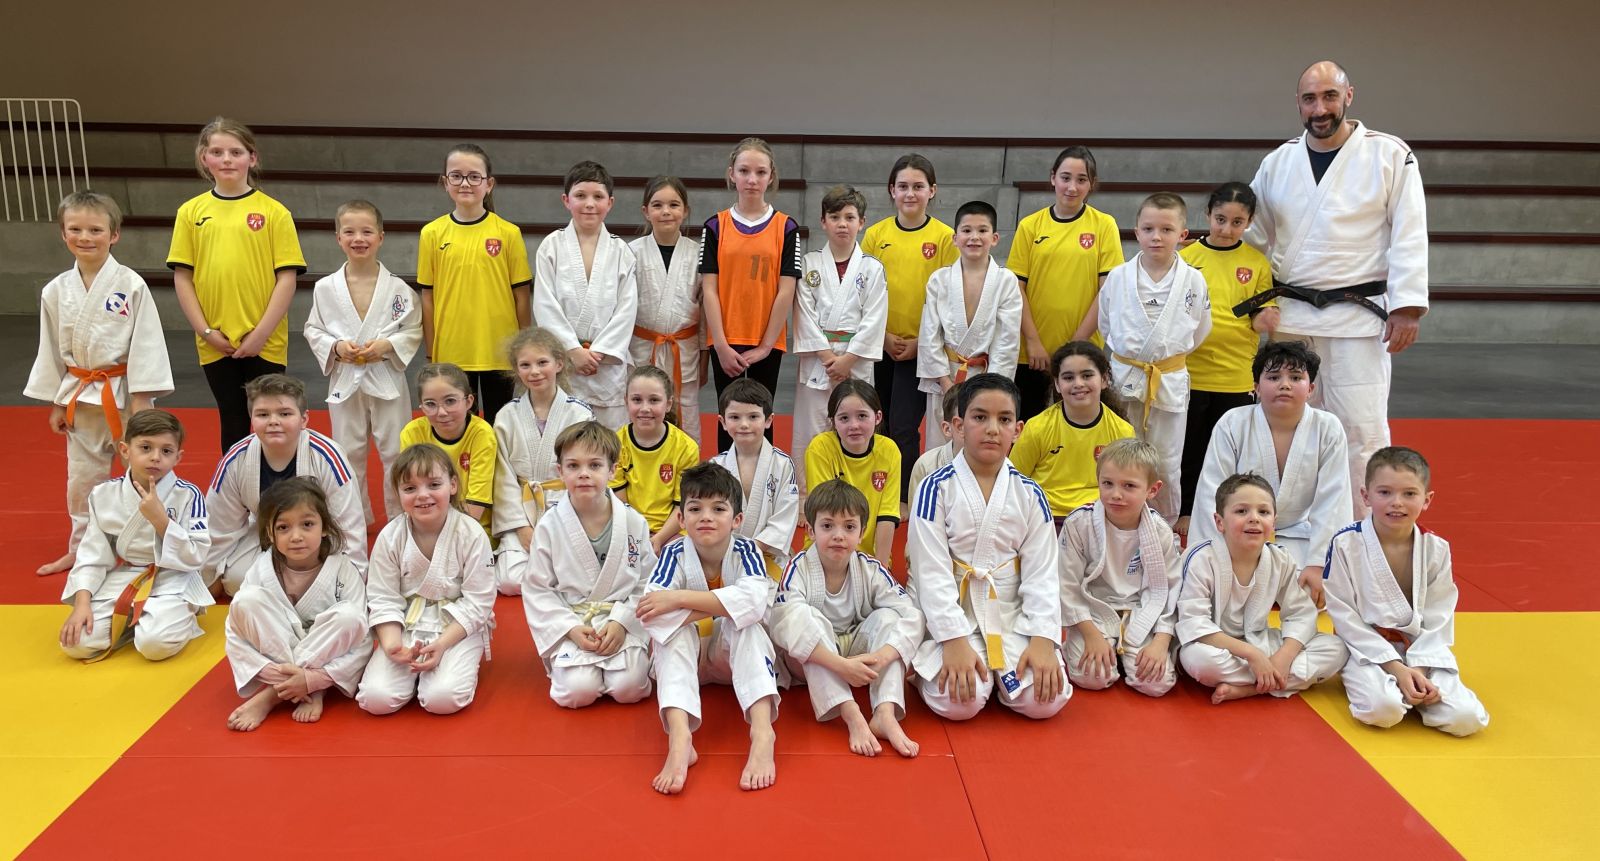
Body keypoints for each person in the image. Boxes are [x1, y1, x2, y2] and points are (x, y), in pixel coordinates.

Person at [1244, 61, 1429, 517]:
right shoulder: (1278, 162)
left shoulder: (1389, 154)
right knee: (1288, 422)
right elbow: (1252, 238)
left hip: (1357, 315)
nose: (1320, 108)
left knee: (1361, 428)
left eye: (1329, 96)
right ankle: (1290, 520)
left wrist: (1406, 306)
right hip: (1291, 316)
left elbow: (1409, 231)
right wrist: (1213, 262)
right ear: (1298, 103)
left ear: (1349, 96)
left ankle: (1363, 526)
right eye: (1310, 98)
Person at [908, 373, 1068, 721]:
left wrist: (1043, 637)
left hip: (1009, 611)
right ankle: (931, 668)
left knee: (1045, 700)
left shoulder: (1030, 494)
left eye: (1004, 419)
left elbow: (1042, 573)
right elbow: (929, 572)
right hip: (955, 607)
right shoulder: (934, 488)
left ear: (1018, 430)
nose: (993, 429)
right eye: (980, 417)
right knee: (958, 703)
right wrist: (952, 640)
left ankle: (1001, 669)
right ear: (958, 425)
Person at [28, 191, 173, 576]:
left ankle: (151, 545)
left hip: (127, 393)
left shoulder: (131, 284)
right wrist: (57, 402)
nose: (85, 237)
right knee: (82, 479)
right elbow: (50, 348)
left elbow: (146, 342)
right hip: (81, 395)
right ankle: (83, 551)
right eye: (75, 229)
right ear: (63, 234)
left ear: (114, 235)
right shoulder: (56, 290)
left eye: (95, 230)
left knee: (144, 471)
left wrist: (142, 400)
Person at [1324, 447, 1489, 736]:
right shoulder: (1345, 544)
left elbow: (1439, 616)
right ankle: (1398, 688)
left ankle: (1415, 689)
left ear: (1427, 499)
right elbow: (1343, 615)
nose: (1396, 503)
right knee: (1383, 710)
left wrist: (1419, 670)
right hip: (1366, 648)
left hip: (1421, 648)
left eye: (1409, 494)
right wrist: (1396, 669)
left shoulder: (1436, 548)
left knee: (1467, 718)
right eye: (1385, 492)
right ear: (1365, 496)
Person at [637, 463, 781, 794]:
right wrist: (719, 607)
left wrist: (679, 599)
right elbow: (651, 612)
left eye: (718, 509)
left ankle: (762, 733)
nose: (706, 517)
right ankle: (680, 738)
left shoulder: (747, 550)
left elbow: (755, 603)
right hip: (691, 661)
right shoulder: (673, 553)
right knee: (671, 636)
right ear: (680, 518)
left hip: (730, 658)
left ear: (737, 519)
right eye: (695, 509)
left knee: (748, 626)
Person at [166, 117, 305, 449]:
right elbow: (183, 277)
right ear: (204, 158)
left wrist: (261, 334)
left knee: (270, 419)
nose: (226, 159)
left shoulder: (274, 212)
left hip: (265, 340)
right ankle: (235, 482)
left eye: (236, 152)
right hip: (215, 340)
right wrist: (206, 332)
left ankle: (276, 480)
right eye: (217, 152)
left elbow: (286, 278)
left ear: (251, 158)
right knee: (232, 419)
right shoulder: (190, 212)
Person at [768, 480, 924, 758]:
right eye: (828, 526)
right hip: (812, 661)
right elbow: (784, 624)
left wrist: (884, 656)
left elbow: (911, 614)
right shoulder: (797, 568)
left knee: (890, 617)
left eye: (849, 527)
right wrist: (840, 666)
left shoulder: (870, 568)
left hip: (858, 657)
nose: (838, 536)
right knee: (805, 617)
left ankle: (885, 711)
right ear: (811, 530)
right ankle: (851, 712)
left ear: (862, 532)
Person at [1189, 341, 1351, 605]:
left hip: (1298, 537)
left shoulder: (1328, 428)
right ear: (1256, 387)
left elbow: (1333, 500)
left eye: (1295, 378)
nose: (1284, 385)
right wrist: (1211, 558)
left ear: (1311, 388)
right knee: (1212, 583)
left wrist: (1319, 563)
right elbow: (1212, 493)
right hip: (1239, 535)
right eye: (1274, 377)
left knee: (1322, 587)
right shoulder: (1232, 423)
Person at [1176, 473, 1347, 704]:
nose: (1254, 519)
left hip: (1261, 641)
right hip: (1217, 645)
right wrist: (1252, 655)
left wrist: (1284, 657)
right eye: (1241, 511)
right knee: (1197, 660)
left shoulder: (1280, 559)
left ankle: (1250, 688)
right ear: (1219, 522)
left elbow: (1300, 614)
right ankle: (1273, 680)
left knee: (1337, 648)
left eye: (1263, 512)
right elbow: (1194, 623)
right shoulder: (1201, 558)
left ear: (1274, 522)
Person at [521, 421, 655, 709]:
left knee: (630, 688)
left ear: (612, 470)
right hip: (573, 619)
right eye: (573, 466)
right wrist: (569, 628)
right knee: (577, 692)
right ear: (560, 471)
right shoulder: (549, 526)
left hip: (619, 620)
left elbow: (647, 581)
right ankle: (580, 665)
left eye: (595, 465)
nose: (584, 474)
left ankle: (618, 657)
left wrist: (622, 622)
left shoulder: (633, 522)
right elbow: (537, 588)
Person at [58, 409, 211, 662]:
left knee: (155, 646)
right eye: (145, 447)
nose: (155, 457)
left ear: (178, 457)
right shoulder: (103, 494)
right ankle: (137, 620)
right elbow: (92, 554)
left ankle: (176, 615)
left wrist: (160, 519)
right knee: (76, 644)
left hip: (172, 577)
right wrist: (82, 603)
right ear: (125, 450)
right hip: (126, 576)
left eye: (166, 451)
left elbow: (196, 555)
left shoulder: (188, 495)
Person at [303, 199, 422, 524]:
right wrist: (336, 347)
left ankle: (401, 518)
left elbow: (413, 329)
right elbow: (313, 328)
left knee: (396, 450)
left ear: (381, 237)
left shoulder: (398, 289)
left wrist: (387, 345)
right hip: (345, 377)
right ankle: (354, 519)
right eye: (350, 232)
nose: (359, 238)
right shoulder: (325, 288)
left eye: (367, 231)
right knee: (347, 450)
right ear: (338, 238)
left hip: (386, 376)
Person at [356, 444, 497, 716]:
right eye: (410, 488)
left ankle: (450, 664)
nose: (423, 495)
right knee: (376, 699)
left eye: (434, 484)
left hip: (456, 627)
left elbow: (479, 601)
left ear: (452, 485)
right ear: (397, 493)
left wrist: (442, 644)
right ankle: (409, 672)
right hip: (407, 626)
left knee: (441, 699)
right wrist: (393, 646)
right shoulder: (390, 537)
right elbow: (382, 597)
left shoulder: (471, 533)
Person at [224, 477, 372, 730]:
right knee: (245, 602)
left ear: (324, 527)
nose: (296, 536)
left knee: (350, 617)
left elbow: (362, 637)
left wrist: (314, 678)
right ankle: (302, 687)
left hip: (324, 658)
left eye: (307, 524)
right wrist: (291, 675)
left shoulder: (343, 570)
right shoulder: (262, 568)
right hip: (280, 658)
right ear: (269, 533)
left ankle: (275, 694)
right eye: (283, 527)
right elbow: (236, 632)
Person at [1100, 193, 1212, 522]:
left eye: (1166, 229)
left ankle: (1164, 524)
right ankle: (1119, 520)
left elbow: (1201, 329)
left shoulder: (1193, 280)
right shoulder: (1118, 277)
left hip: (1168, 376)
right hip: (1125, 375)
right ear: (1136, 232)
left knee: (1166, 459)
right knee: (1121, 451)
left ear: (1183, 234)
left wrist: (1167, 359)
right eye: (1148, 229)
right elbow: (1106, 325)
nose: (1156, 237)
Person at [1176, 182, 1277, 536]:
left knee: (1230, 452)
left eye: (1237, 222)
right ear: (1208, 214)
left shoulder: (1256, 263)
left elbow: (1261, 314)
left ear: (1249, 222)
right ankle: (1186, 510)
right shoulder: (1185, 258)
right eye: (1220, 219)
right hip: (1190, 370)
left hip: (1235, 375)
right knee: (1189, 449)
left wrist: (1265, 319)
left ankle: (1228, 513)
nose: (1226, 229)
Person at [205, 375, 365, 596]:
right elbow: (219, 529)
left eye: (285, 414)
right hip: (266, 533)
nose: (273, 421)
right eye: (263, 414)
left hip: (319, 536)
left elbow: (349, 527)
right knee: (236, 580)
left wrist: (351, 583)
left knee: (325, 586)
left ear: (304, 419)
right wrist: (206, 581)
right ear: (252, 419)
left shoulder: (328, 457)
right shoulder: (236, 459)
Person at [861, 154, 957, 498]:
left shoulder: (945, 238)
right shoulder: (876, 235)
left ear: (932, 190)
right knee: (877, 421)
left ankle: (904, 494)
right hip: (879, 345)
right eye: (903, 186)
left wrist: (921, 343)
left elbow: (949, 300)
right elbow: (863, 291)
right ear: (892, 190)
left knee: (903, 426)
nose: (910, 193)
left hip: (922, 348)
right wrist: (882, 336)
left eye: (918, 186)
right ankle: (877, 487)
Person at [1057, 438, 1181, 697]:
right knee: (1092, 677)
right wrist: (1091, 635)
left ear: (1153, 489)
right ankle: (1095, 648)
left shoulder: (1160, 531)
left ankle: (1125, 651)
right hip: (1094, 612)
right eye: (1107, 483)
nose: (1115, 494)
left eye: (1129, 486)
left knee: (1157, 684)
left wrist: (1161, 642)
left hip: (1141, 612)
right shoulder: (1079, 524)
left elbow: (1169, 588)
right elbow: (1066, 585)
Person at [699, 137, 801, 452]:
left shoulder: (786, 227)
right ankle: (726, 479)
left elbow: (786, 290)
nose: (752, 179)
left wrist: (766, 345)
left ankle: (764, 480)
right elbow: (709, 289)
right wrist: (721, 344)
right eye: (744, 171)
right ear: (732, 174)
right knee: (728, 417)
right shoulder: (715, 225)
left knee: (761, 417)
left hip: (767, 342)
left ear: (771, 176)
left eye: (760, 172)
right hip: (725, 340)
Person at [1007, 146, 1124, 417]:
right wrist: (1033, 341)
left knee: (1079, 425)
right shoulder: (1030, 226)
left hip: (1082, 352)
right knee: (1028, 426)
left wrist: (1075, 346)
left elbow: (1107, 291)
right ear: (1053, 178)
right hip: (1032, 353)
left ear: (1091, 184)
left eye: (1081, 180)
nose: (1072, 187)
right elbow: (1016, 288)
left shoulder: (1104, 225)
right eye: (1065, 177)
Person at [418, 143, 532, 421]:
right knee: (457, 425)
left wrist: (523, 346)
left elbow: (521, 296)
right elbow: (427, 297)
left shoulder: (508, 233)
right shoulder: (431, 233)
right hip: (452, 350)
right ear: (445, 182)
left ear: (489, 184)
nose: (465, 183)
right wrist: (432, 351)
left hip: (499, 349)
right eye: (456, 176)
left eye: (474, 176)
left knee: (500, 425)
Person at [792, 185, 887, 485]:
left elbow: (874, 319)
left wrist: (848, 360)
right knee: (812, 430)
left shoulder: (872, 268)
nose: (842, 224)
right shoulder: (809, 263)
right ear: (823, 222)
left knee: (855, 428)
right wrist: (827, 356)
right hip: (818, 361)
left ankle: (855, 491)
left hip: (855, 361)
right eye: (835, 217)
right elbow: (803, 314)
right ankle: (808, 494)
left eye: (849, 217)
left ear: (862, 222)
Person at [491, 327, 596, 595]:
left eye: (542, 363)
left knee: (579, 572)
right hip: (522, 510)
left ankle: (550, 574)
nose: (534, 372)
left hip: (566, 510)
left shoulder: (579, 414)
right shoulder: (506, 416)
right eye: (525, 365)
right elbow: (502, 478)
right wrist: (521, 528)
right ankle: (553, 578)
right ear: (516, 370)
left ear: (559, 364)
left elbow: (585, 473)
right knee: (509, 581)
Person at [534, 160, 638, 429]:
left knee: (609, 438)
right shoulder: (551, 246)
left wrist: (599, 352)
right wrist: (572, 349)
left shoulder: (621, 251)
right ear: (566, 200)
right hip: (565, 361)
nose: (589, 204)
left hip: (606, 364)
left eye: (598, 197)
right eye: (580, 195)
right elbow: (545, 304)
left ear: (610, 202)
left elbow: (626, 310)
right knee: (564, 434)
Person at [918, 201, 1023, 451]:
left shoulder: (1006, 281)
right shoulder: (939, 279)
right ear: (955, 238)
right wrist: (945, 382)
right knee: (940, 442)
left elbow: (1006, 341)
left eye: (982, 230)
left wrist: (990, 387)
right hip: (946, 375)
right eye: (966, 230)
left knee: (981, 441)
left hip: (984, 375)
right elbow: (929, 334)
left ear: (994, 238)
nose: (974, 237)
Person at [1010, 342, 1135, 524]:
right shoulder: (1037, 427)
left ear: (1104, 379)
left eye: (1087, 375)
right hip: (1046, 517)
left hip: (1100, 518)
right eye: (1068, 377)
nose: (1078, 384)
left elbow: (1128, 487)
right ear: (1057, 385)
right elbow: (1013, 481)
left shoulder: (1123, 431)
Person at [629, 176, 704, 444]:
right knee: (643, 410)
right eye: (657, 205)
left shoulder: (698, 253)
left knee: (686, 412)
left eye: (674, 205)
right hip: (642, 346)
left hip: (684, 348)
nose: (666, 211)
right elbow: (623, 308)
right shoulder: (631, 252)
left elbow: (706, 310)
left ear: (685, 210)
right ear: (645, 211)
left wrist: (705, 354)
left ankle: (688, 465)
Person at [709, 378, 799, 578]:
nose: (744, 424)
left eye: (753, 417)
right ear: (723, 422)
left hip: (768, 556)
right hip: (725, 555)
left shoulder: (782, 464)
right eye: (734, 417)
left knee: (774, 595)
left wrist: (750, 550)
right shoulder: (716, 466)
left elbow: (784, 518)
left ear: (768, 420)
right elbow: (710, 516)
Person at [804, 380, 900, 565]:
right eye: (844, 418)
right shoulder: (820, 448)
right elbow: (823, 514)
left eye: (862, 416)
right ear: (833, 421)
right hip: (826, 552)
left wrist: (879, 568)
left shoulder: (889, 450)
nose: (854, 425)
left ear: (878, 417)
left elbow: (887, 515)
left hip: (870, 557)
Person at [611, 366, 700, 554]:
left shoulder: (686, 448)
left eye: (654, 400)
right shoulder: (616, 444)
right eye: (637, 400)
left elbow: (683, 505)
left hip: (673, 529)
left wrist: (658, 539)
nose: (645, 408)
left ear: (668, 404)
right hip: (628, 525)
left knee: (679, 555)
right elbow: (619, 504)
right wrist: (637, 537)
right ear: (626, 401)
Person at [399, 363, 498, 533]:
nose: (442, 412)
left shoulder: (481, 434)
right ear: (421, 406)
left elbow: (476, 505)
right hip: (427, 521)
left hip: (472, 526)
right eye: (430, 404)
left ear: (469, 401)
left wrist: (445, 538)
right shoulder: (412, 433)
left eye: (450, 401)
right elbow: (411, 491)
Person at [907, 381, 961, 499]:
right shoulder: (926, 466)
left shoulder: (1001, 467)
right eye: (978, 418)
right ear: (947, 428)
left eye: (1001, 419)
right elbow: (916, 509)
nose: (991, 428)